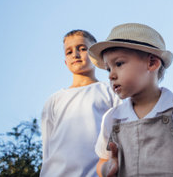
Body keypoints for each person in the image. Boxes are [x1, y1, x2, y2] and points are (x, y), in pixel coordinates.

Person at [88, 23, 173, 177]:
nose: (111, 75)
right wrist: (108, 167)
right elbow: (102, 161)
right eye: (108, 68)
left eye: (119, 64)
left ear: (152, 63)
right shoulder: (111, 118)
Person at [40, 30, 121, 176]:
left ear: (97, 56)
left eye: (82, 49)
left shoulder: (110, 90)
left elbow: (121, 133)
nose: (75, 55)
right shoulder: (54, 100)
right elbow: (47, 149)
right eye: (69, 52)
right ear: (65, 61)